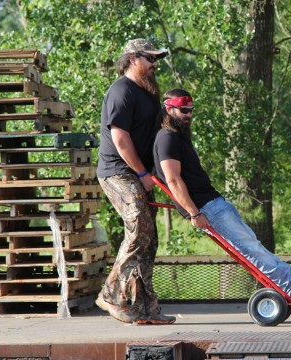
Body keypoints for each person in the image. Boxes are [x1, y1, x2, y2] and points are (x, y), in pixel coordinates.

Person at [153, 88, 291, 303]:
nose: (188, 115)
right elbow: (173, 180)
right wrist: (194, 213)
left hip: (213, 203)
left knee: (250, 244)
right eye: (183, 110)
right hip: (206, 207)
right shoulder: (167, 138)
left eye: (191, 111)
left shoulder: (177, 137)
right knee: (248, 247)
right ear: (169, 109)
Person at [95, 39, 175, 325]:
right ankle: (111, 294)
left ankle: (144, 309)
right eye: (150, 59)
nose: (155, 64)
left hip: (142, 172)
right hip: (118, 172)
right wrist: (142, 173)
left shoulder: (147, 93)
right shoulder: (121, 91)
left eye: (157, 59)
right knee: (140, 222)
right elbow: (120, 139)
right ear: (132, 59)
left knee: (148, 240)